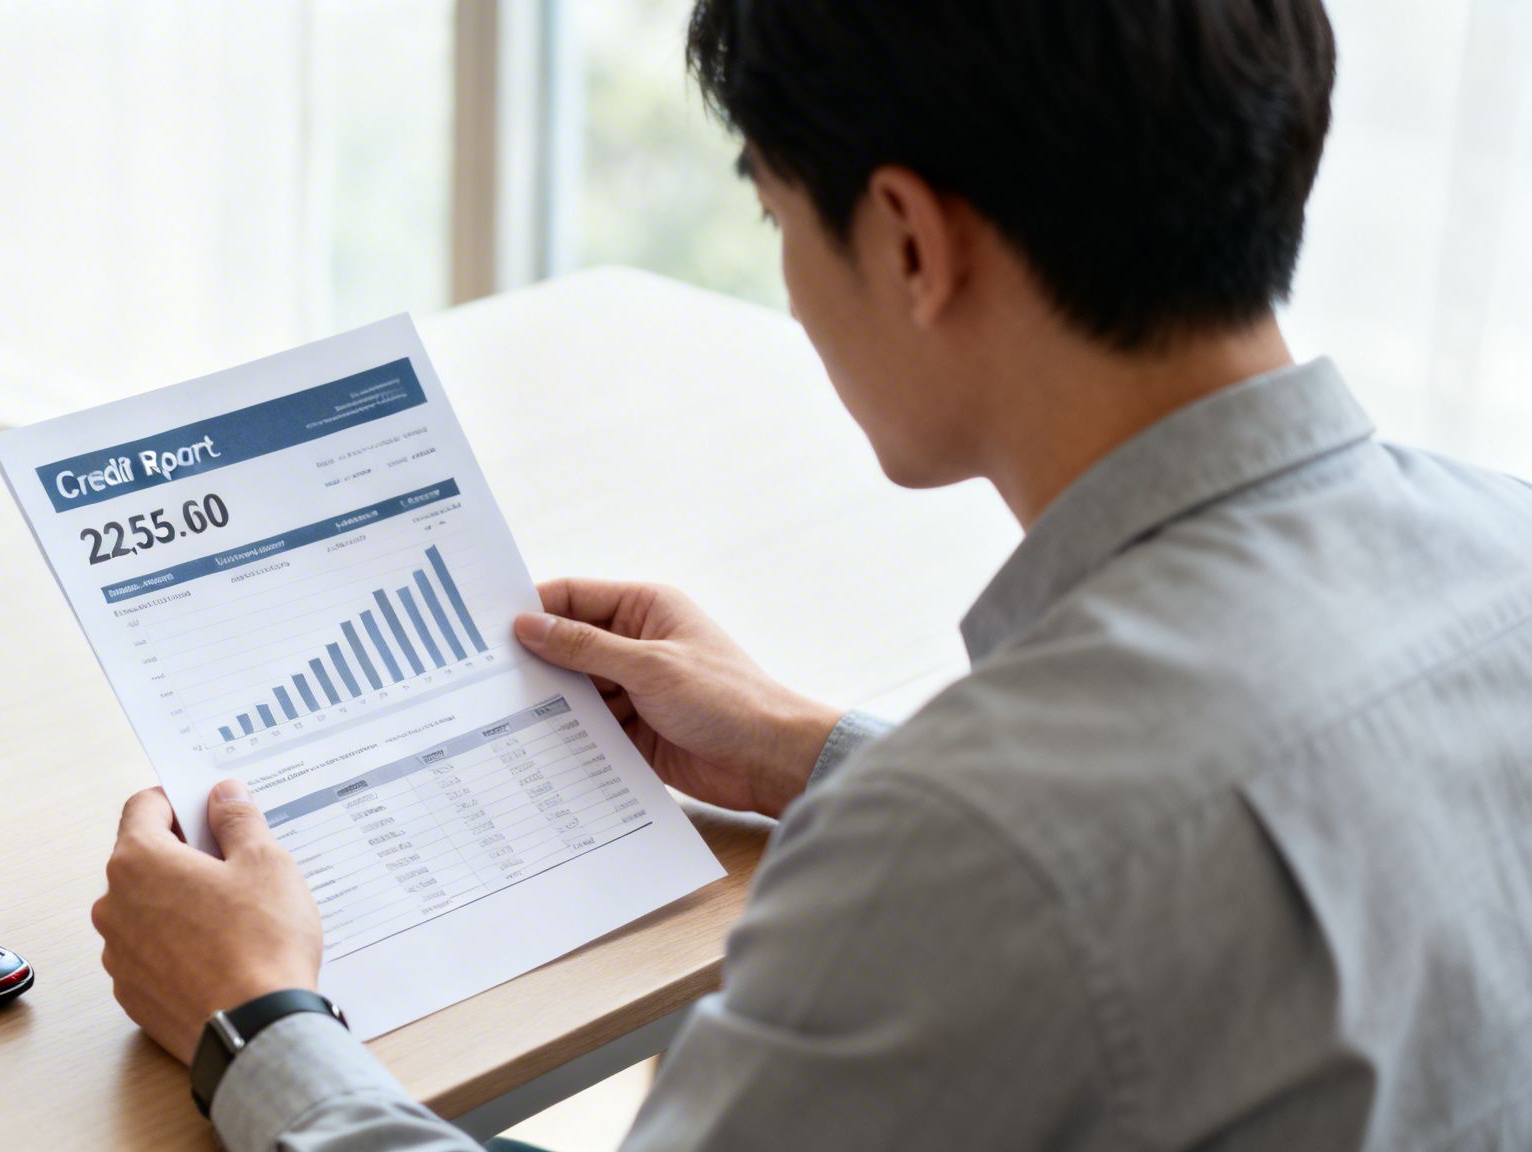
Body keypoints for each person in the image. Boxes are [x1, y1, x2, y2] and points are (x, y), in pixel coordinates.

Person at [91, 0, 1532, 1147]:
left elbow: (1039, 867)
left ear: (908, 239)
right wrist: (809, 751)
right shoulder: (1505, 549)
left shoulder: (971, 859)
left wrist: (253, 1022)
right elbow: (1190, 856)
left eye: (778, 217)